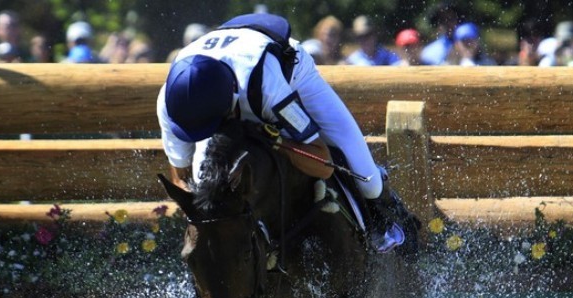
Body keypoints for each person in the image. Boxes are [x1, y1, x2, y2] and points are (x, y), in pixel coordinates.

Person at [157, 12, 409, 253]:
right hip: (230, 76)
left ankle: (386, 220)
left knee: (369, 181)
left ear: (231, 106)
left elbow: (323, 163)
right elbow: (182, 177)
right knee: (204, 185)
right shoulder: (171, 104)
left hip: (291, 74)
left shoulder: (268, 88)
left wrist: (276, 140)